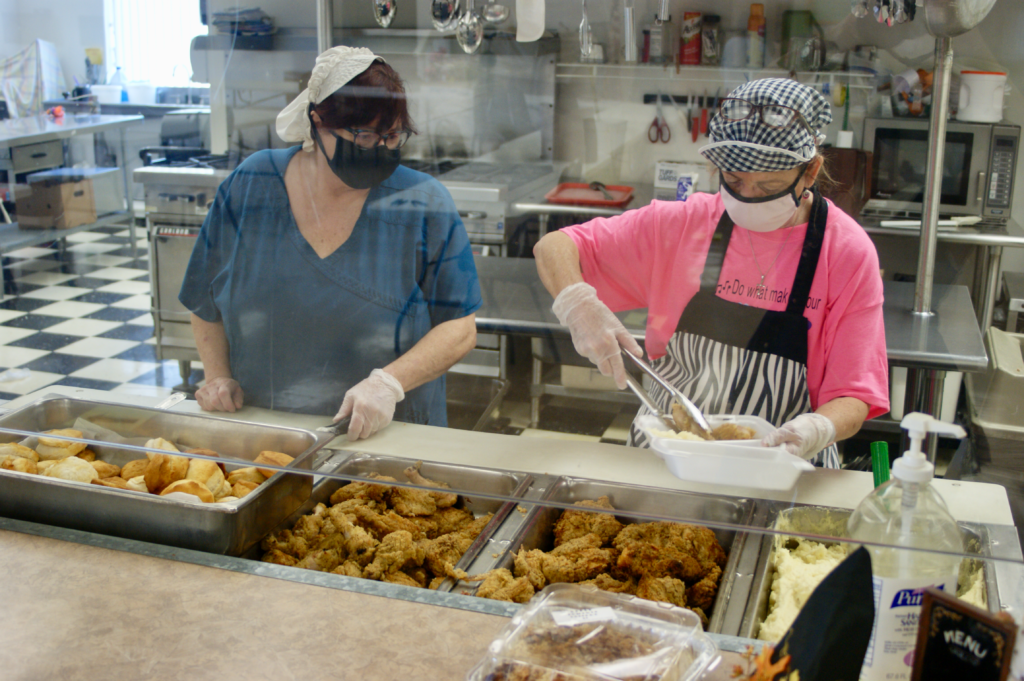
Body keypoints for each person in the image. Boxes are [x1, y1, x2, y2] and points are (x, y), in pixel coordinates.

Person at [534, 79, 889, 467]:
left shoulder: (844, 253)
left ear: (810, 171)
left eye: (768, 185)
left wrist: (816, 429)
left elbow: (855, 395)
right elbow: (555, 246)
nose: (749, 196)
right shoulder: (681, 225)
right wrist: (577, 304)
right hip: (669, 461)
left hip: (783, 468)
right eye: (735, 181)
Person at [180, 46, 481, 440]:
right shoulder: (253, 185)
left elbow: (460, 327)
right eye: (365, 135)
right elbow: (205, 300)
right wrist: (217, 376)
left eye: (392, 136)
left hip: (390, 434)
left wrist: (388, 384)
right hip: (267, 430)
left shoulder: (421, 202)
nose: (379, 148)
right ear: (317, 121)